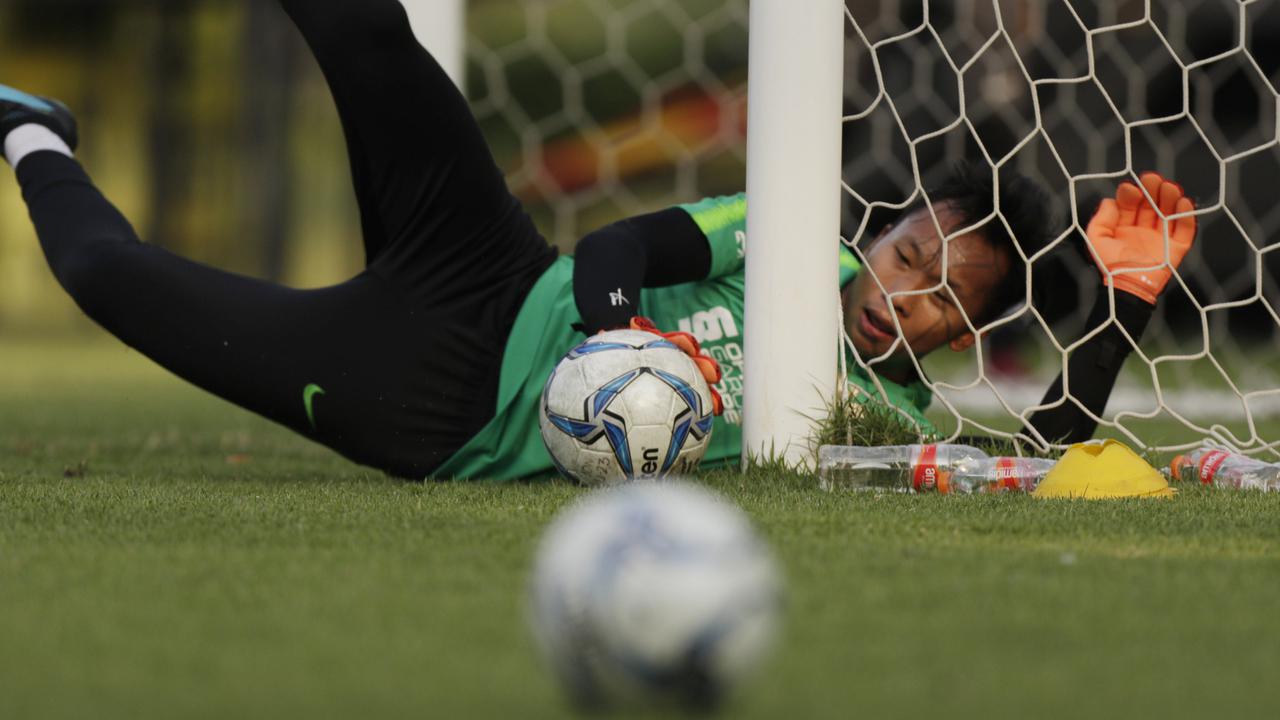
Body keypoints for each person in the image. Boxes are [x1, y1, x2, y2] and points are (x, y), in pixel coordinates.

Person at [0, 0, 1196, 480]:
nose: (906, 295)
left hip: (432, 409)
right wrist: (633, 353)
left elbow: (1042, 459)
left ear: (959, 341)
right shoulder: (793, 249)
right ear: (878, 235)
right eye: (908, 257)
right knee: (367, 34)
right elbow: (613, 251)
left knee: (108, 274)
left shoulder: (884, 424)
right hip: (492, 273)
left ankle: (29, 135)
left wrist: (1122, 308)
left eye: (945, 301)